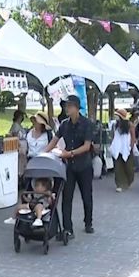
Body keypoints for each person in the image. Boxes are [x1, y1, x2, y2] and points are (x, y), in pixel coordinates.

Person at [45, 95, 94, 237]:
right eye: (66, 106)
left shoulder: (86, 124)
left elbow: (86, 146)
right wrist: (42, 154)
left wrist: (70, 153)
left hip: (84, 165)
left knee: (86, 196)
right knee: (67, 197)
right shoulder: (64, 124)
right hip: (69, 167)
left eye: (70, 106)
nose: (67, 108)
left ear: (77, 108)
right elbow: (54, 141)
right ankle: (68, 228)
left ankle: (88, 222)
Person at [109, 109, 136, 193]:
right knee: (118, 167)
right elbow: (113, 136)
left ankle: (128, 181)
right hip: (118, 148)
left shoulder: (130, 125)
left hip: (126, 148)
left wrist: (131, 146)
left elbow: (133, 136)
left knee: (129, 167)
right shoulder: (115, 125)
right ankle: (119, 184)